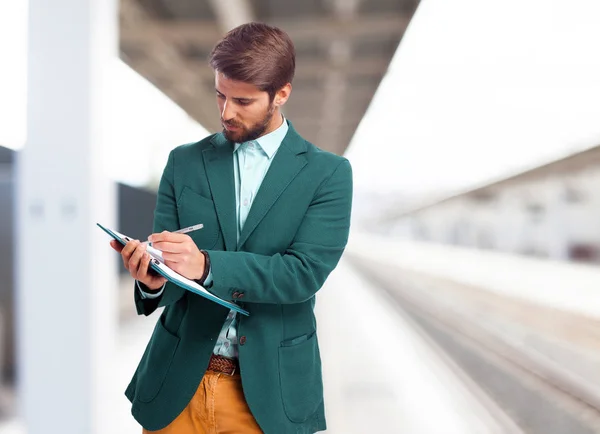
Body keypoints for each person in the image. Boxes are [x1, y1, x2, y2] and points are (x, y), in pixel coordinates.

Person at [111, 22, 353, 434]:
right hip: (176, 389)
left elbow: (303, 274)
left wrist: (205, 264)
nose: (226, 112)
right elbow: (171, 276)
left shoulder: (327, 174)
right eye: (220, 95)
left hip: (268, 398)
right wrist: (152, 279)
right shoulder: (184, 162)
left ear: (281, 94)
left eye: (242, 100)